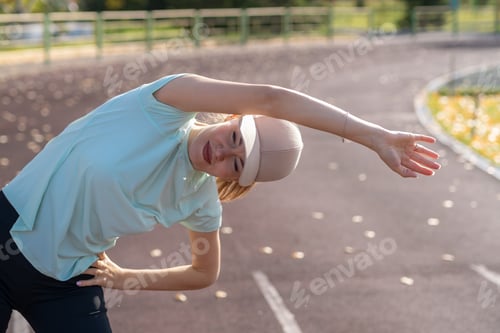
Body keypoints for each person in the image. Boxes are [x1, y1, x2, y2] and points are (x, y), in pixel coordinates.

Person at [0, 73, 441, 332]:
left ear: (241, 181)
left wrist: (125, 276)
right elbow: (274, 98)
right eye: (235, 138)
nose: (223, 153)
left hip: (67, 282)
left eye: (237, 164)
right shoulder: (163, 104)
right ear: (233, 118)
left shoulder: (200, 200)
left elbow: (203, 273)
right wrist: (373, 137)